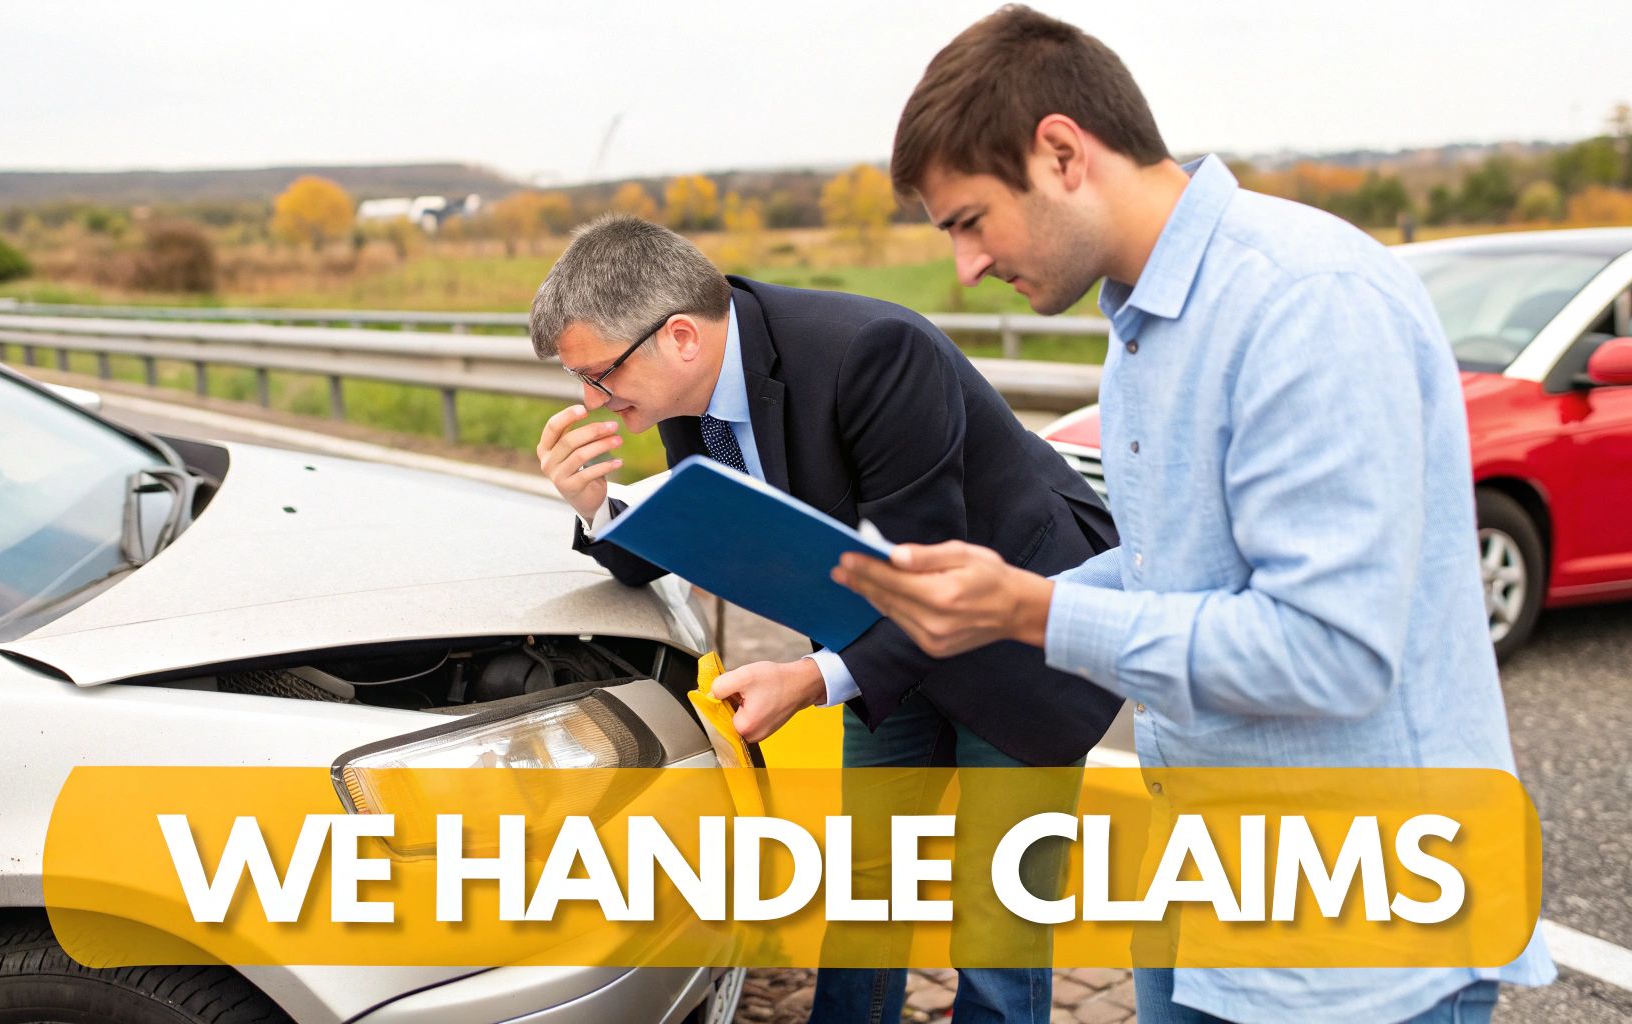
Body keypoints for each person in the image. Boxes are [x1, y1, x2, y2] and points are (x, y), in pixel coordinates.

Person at [832, 7, 1557, 1023]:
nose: (962, 265)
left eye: (968, 220)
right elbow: (1164, 571)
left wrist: (1032, 614)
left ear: (1060, 152)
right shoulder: (1141, 323)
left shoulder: (1303, 300)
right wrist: (988, 602)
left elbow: (1327, 652)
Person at [529, 214, 1121, 1023]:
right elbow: (700, 529)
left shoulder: (874, 351)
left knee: (999, 907)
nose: (592, 399)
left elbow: (934, 574)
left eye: (598, 376)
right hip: (882, 641)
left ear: (678, 337)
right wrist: (595, 505)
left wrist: (810, 680)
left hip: (1012, 634)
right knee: (867, 879)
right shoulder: (685, 390)